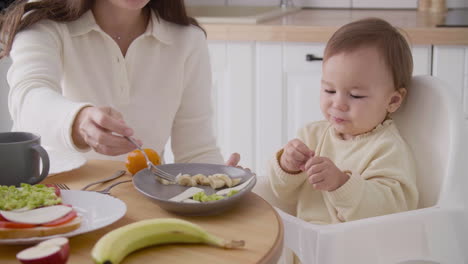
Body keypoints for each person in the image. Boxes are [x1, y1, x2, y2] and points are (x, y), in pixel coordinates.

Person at [2, 0, 240, 166]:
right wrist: (78, 120)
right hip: (55, 198)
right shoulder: (43, 25)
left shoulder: (187, 40)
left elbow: (196, 152)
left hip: (142, 202)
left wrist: (219, 181)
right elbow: (28, 99)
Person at [268, 18, 419, 225]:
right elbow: (281, 195)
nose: (338, 104)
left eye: (356, 95)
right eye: (329, 90)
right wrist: (287, 166)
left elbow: (392, 211)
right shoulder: (311, 135)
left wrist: (341, 184)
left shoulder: (387, 148)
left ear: (392, 100)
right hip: (303, 248)